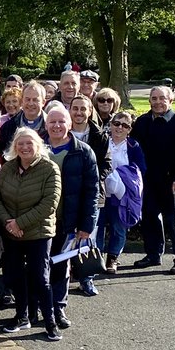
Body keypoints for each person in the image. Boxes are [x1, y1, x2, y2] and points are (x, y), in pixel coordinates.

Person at [0, 128, 62, 341]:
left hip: (39, 232)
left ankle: (50, 321)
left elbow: (50, 203)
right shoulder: (8, 168)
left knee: (41, 278)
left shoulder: (49, 168)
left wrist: (20, 223)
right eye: (20, 143)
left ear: (38, 145)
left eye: (29, 143)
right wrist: (9, 224)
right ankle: (21, 316)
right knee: (13, 276)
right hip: (12, 233)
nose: (24, 147)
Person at [130, 86, 175, 276]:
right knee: (150, 218)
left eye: (162, 98)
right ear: (149, 101)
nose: (158, 102)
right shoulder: (142, 122)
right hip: (147, 181)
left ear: (170, 100)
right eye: (154, 98)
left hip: (172, 182)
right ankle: (153, 255)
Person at [44, 106, 100, 325]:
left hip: (68, 221)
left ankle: (58, 308)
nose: (57, 126)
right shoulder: (36, 146)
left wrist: (87, 224)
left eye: (61, 122)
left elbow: (92, 191)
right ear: (46, 124)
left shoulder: (83, 151)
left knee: (60, 266)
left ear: (69, 124)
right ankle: (39, 307)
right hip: (40, 222)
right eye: (52, 122)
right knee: (40, 267)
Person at [99, 111, 146, 275]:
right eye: (116, 123)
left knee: (119, 227)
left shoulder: (133, 146)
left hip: (122, 195)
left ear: (129, 129)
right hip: (102, 192)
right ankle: (95, 259)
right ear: (110, 124)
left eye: (125, 125)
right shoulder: (102, 141)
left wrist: (124, 176)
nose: (120, 127)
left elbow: (141, 169)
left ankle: (112, 258)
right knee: (97, 227)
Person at [0, 80, 47, 157]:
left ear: (43, 102)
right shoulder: (8, 128)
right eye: (27, 99)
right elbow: (2, 155)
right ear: (22, 101)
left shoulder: (52, 127)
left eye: (35, 100)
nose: (30, 103)